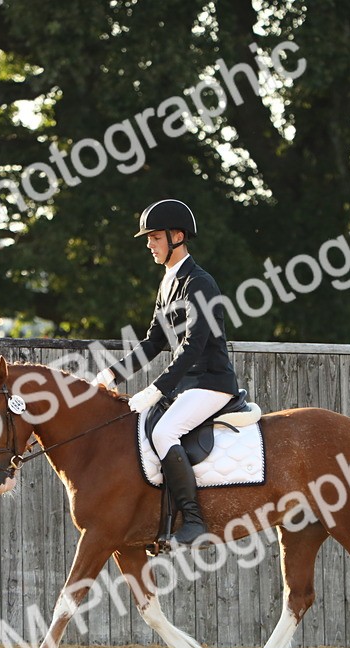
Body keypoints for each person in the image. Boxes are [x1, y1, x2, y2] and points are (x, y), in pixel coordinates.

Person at [92, 199, 241, 548]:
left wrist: (158, 388)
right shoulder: (168, 283)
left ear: (177, 236)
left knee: (164, 432)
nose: (149, 244)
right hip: (187, 387)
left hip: (211, 383)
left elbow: (194, 344)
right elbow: (154, 341)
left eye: (155, 237)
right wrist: (113, 374)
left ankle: (194, 520)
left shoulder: (199, 283)